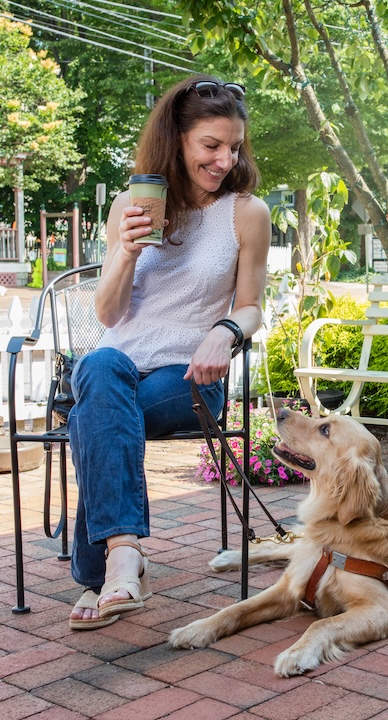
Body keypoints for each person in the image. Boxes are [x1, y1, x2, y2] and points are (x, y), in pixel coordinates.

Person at [68, 75, 271, 629]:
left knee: (93, 415)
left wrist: (226, 330)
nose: (225, 158)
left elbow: (253, 305)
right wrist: (127, 251)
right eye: (211, 145)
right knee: (102, 367)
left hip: (189, 378)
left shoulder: (245, 212)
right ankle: (124, 559)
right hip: (119, 369)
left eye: (234, 146)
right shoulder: (128, 207)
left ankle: (99, 568)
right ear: (176, 141)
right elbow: (108, 315)